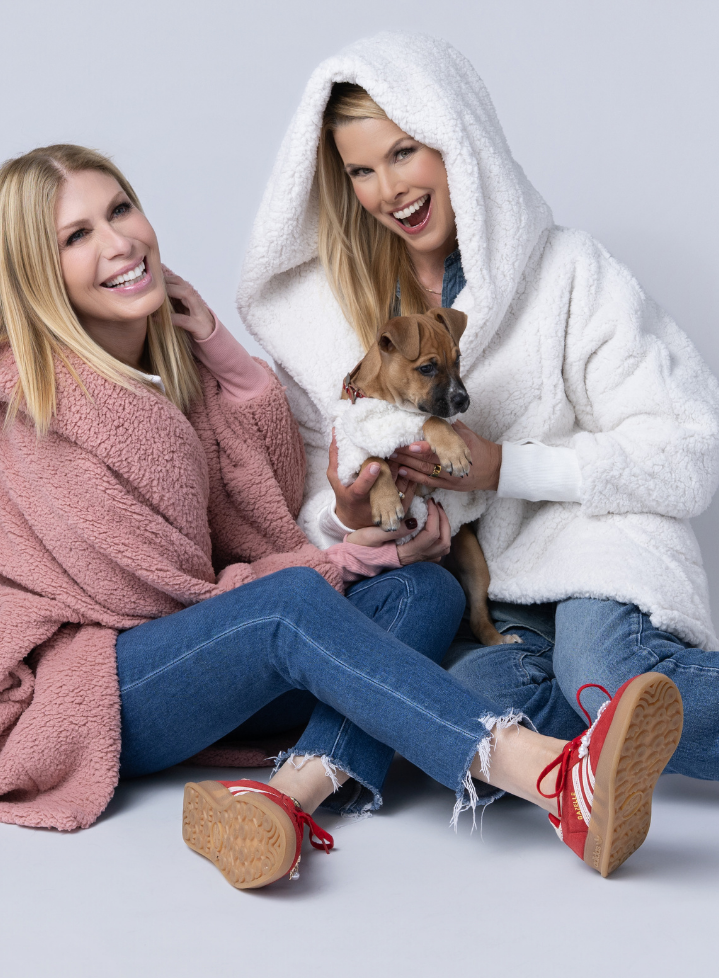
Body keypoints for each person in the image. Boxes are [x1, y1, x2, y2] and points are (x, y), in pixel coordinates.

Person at [0, 144, 681, 890]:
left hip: (186, 660)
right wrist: (340, 562)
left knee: (427, 590)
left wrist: (227, 360)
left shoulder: (167, 369)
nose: (118, 242)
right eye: (76, 236)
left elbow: (265, 508)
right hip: (83, 692)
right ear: (37, 272)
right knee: (291, 604)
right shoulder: (54, 412)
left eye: (120, 209)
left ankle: (286, 799)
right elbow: (164, 604)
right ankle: (550, 776)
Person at [237, 32, 719, 782]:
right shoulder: (328, 318)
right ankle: (587, 767)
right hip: (488, 606)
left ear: (457, 138)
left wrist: (504, 468)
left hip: (595, 551)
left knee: (605, 672)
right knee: (469, 717)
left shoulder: (569, 273)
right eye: (361, 170)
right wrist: (350, 518)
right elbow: (312, 503)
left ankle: (602, 698)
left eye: (403, 152)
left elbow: (688, 448)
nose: (388, 190)